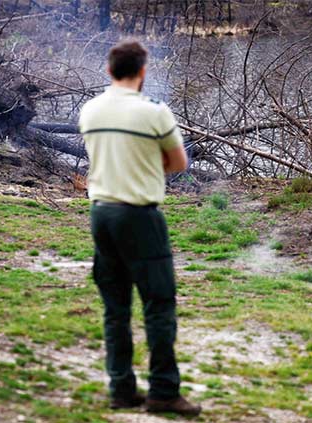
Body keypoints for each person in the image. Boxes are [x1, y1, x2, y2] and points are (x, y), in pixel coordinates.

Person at [78, 40, 201, 417]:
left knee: (115, 308)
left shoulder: (90, 110)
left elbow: (104, 156)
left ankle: (121, 389)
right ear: (142, 71)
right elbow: (178, 162)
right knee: (158, 303)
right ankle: (163, 390)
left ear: (108, 69)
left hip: (101, 213)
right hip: (141, 216)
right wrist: (148, 166)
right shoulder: (155, 112)